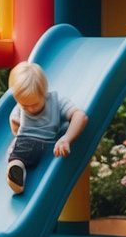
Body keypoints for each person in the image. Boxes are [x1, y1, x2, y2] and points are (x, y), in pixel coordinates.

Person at [6, 61, 88, 195]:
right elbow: (79, 115)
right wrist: (65, 138)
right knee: (19, 156)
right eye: (25, 106)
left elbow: (14, 121)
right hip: (51, 145)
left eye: (35, 104)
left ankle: (16, 167)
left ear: (44, 92)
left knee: (15, 156)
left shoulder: (52, 101)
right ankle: (16, 171)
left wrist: (66, 138)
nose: (30, 108)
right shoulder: (58, 101)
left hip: (35, 144)